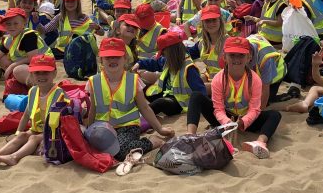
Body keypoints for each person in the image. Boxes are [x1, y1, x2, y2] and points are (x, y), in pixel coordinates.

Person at [185, 36, 278, 159]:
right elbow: (218, 109)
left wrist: (244, 122)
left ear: (249, 57)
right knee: (196, 96)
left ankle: (260, 142)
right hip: (225, 119)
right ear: (224, 57)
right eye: (232, 55)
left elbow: (255, 108)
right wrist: (227, 122)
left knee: (275, 115)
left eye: (241, 55)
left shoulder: (255, 79)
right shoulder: (218, 79)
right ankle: (190, 136)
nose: (236, 59)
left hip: (245, 120)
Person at [86, 37, 169, 170]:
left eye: (116, 57)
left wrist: (160, 128)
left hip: (128, 127)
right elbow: (93, 110)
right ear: (101, 60)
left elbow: (144, 108)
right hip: (103, 128)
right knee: (96, 149)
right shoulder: (93, 81)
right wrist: (89, 132)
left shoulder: (133, 80)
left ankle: (151, 141)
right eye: (108, 57)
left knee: (119, 151)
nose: (112, 60)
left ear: (125, 58)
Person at [0, 54, 64, 166]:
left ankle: (13, 157)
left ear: (54, 73)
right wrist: (18, 132)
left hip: (53, 132)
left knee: (33, 138)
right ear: (31, 75)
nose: (41, 76)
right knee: (21, 136)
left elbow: (62, 122)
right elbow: (26, 115)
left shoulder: (59, 94)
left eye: (46, 72)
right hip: (37, 128)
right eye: (37, 72)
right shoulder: (33, 91)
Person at [145, 31, 207, 116]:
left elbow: (200, 91)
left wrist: (203, 108)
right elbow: (154, 63)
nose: (163, 55)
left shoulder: (189, 68)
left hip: (180, 103)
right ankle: (144, 112)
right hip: (167, 93)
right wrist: (139, 64)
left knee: (160, 103)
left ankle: (143, 118)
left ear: (171, 52)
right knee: (144, 88)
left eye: (163, 53)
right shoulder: (168, 61)